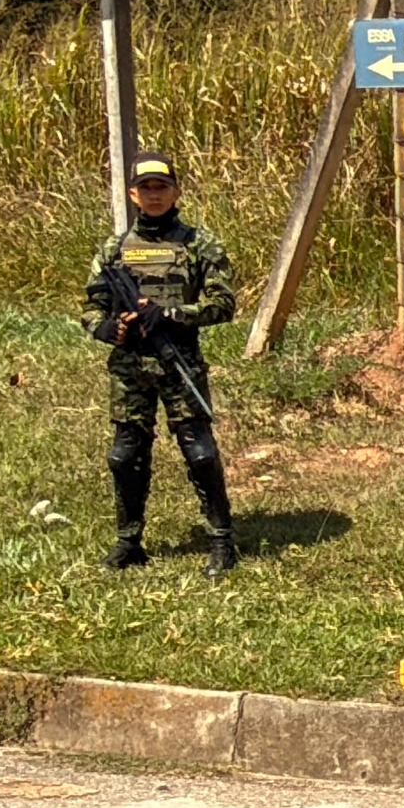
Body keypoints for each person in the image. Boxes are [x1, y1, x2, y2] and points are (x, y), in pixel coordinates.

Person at [86, 151, 242, 574]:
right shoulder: (115, 250)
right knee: (125, 453)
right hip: (131, 365)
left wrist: (172, 314)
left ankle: (222, 540)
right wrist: (106, 328)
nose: (155, 196)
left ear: (177, 192)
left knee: (199, 452)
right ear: (134, 194)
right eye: (147, 188)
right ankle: (128, 542)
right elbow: (92, 306)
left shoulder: (199, 244)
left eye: (163, 187)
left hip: (180, 361)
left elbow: (223, 304)